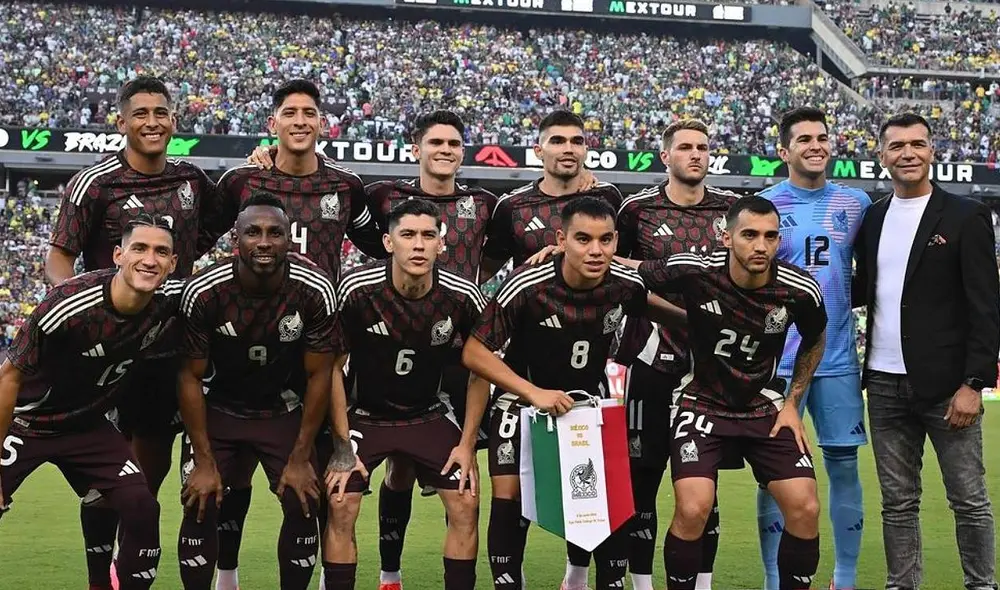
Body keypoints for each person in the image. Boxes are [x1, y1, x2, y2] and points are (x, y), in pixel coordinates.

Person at [44, 75, 224, 590]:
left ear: (174, 120)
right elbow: (59, 258)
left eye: (160, 112)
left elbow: (221, 221)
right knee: (107, 478)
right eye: (140, 113)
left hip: (174, 346)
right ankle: (102, 575)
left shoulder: (192, 181)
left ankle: (131, 558)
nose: (152, 122)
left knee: (154, 469)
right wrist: (79, 309)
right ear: (120, 122)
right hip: (111, 350)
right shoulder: (95, 184)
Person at [214, 78, 386, 590]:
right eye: (289, 112)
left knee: (306, 485)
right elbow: (196, 238)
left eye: (309, 112)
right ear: (273, 124)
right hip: (245, 338)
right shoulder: (240, 182)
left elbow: (383, 245)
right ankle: (227, 576)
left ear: (321, 124)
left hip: (315, 347)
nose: (300, 120)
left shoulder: (345, 186)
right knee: (235, 472)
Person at [463, 196, 684, 590]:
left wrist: (696, 324)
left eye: (605, 240)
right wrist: (534, 392)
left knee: (606, 506)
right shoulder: (527, 285)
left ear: (617, 242)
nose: (595, 250)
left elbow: (649, 305)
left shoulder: (624, 282)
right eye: (583, 239)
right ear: (562, 240)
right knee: (510, 497)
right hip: (522, 403)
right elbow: (475, 351)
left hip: (588, 407)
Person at [623, 196, 828, 590]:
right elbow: (633, 270)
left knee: (805, 507)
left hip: (764, 405)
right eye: (749, 235)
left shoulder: (799, 289)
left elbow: (815, 337)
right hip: (700, 401)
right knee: (694, 506)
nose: (760, 245)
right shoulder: (694, 270)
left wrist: (792, 402)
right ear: (726, 236)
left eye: (770, 236)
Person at [478, 109, 623, 590]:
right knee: (510, 492)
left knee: (587, 493)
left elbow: (625, 269)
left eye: (576, 140)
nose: (567, 148)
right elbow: (488, 267)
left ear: (586, 149)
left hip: (586, 372)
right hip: (525, 362)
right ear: (538, 149)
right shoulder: (512, 206)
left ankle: (576, 577)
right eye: (556, 140)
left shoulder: (606, 199)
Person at [854, 112, 998, 590]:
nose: (908, 153)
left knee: (969, 499)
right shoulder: (873, 216)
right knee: (897, 502)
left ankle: (981, 584)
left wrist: (975, 382)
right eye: (897, 146)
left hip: (947, 385)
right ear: (882, 156)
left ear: (932, 151)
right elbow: (868, 289)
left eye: (917, 144)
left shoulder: (965, 214)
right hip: (883, 382)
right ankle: (902, 585)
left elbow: (985, 305)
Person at [0, 214, 183, 590]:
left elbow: (229, 286)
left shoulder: (170, 302)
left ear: (173, 263)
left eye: (161, 252)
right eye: (140, 248)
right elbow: (8, 377)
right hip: (28, 423)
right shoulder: (69, 304)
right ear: (118, 255)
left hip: (89, 426)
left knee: (142, 505)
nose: (150, 259)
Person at [323, 198, 489, 590]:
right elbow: (331, 368)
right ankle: (386, 579)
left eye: (428, 235)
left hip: (427, 413)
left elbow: (481, 371)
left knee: (466, 501)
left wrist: (467, 446)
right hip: (366, 414)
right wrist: (342, 446)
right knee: (341, 500)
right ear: (387, 242)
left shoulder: (463, 295)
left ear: (441, 245)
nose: (418, 244)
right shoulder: (356, 290)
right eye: (408, 235)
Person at [175, 193, 337, 590]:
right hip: (219, 408)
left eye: (274, 233)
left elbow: (320, 375)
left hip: (280, 408)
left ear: (288, 239)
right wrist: (203, 459)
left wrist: (301, 458)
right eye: (253, 232)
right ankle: (222, 581)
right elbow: (189, 378)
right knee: (200, 501)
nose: (264, 242)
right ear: (237, 240)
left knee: (303, 500)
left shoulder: (314, 289)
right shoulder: (204, 292)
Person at [364, 110, 498, 590]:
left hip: (459, 349)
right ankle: (389, 574)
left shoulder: (483, 203)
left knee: (462, 471)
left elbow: (503, 250)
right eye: (436, 142)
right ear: (416, 148)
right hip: (400, 342)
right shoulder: (384, 198)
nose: (445, 150)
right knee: (398, 466)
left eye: (454, 144)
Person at [614, 119, 741, 590]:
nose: (695, 154)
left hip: (715, 371)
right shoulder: (636, 211)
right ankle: (642, 583)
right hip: (650, 363)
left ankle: (702, 583)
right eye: (685, 147)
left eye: (703, 147)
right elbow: (618, 277)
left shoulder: (732, 210)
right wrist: (685, 317)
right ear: (665, 157)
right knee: (641, 481)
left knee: (704, 488)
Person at [757, 107, 872, 590]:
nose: (815, 145)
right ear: (784, 151)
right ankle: (772, 579)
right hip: (777, 362)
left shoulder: (857, 203)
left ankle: (843, 579)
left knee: (844, 465)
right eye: (803, 139)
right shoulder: (763, 205)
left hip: (838, 358)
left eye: (822, 137)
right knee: (772, 475)